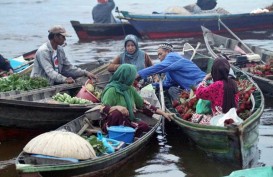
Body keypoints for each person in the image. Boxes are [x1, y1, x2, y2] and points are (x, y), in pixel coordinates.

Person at [100, 64, 173, 137]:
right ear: (126, 77)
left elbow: (143, 104)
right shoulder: (111, 90)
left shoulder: (130, 89)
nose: (134, 79)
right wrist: (117, 107)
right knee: (117, 113)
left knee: (144, 126)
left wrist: (163, 113)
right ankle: (116, 134)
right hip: (111, 125)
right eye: (132, 77)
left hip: (126, 122)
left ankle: (128, 134)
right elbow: (102, 109)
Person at [30, 25, 97, 85]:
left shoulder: (60, 49)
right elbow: (50, 72)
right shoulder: (43, 51)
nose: (65, 39)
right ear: (56, 37)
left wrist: (85, 73)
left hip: (53, 81)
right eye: (63, 37)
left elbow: (68, 67)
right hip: (41, 83)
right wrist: (64, 79)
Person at [136, 43, 206, 99]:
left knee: (173, 90)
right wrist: (150, 85)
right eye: (158, 56)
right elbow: (168, 84)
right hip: (193, 89)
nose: (159, 57)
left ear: (168, 52)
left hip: (202, 82)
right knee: (171, 89)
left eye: (161, 54)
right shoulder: (170, 69)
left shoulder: (172, 56)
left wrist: (139, 74)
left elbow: (159, 67)